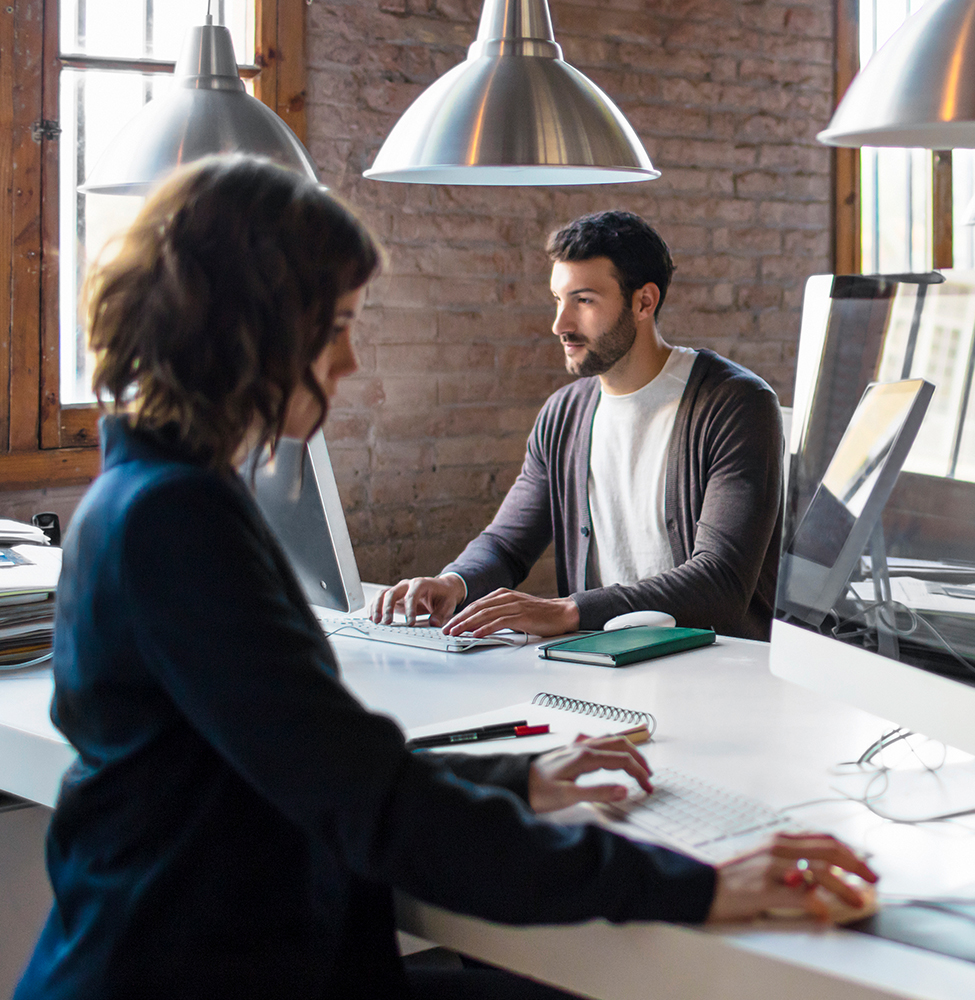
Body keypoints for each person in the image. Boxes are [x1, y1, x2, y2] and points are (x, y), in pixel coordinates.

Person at [15, 158, 875, 1000]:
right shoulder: (176, 523)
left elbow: (330, 768)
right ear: (258, 325)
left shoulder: (151, 496)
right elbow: (372, 803)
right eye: (337, 324)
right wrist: (696, 884)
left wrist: (521, 779)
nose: (349, 361)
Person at [371, 211, 784, 642]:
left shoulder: (736, 404)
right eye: (558, 299)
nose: (560, 325)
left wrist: (569, 610)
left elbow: (720, 581)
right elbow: (507, 546)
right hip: (597, 662)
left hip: (714, 664)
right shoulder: (563, 414)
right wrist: (453, 582)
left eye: (583, 301)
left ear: (644, 302)